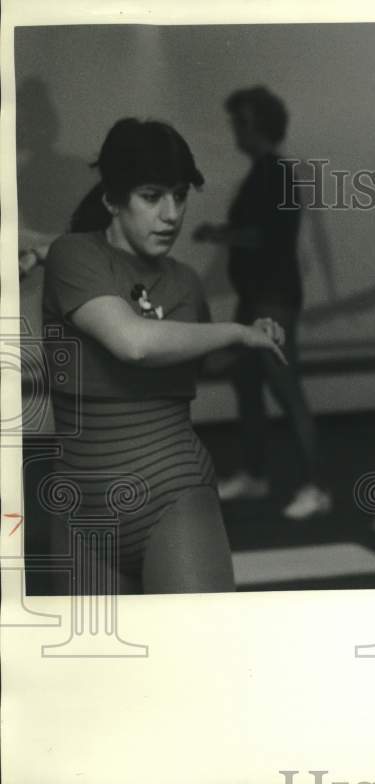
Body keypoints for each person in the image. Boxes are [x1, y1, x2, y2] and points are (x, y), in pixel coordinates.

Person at [42, 118, 288, 594]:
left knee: (195, 656)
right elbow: (132, 343)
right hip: (80, 509)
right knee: (97, 667)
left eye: (179, 196)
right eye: (152, 196)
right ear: (113, 199)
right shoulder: (74, 255)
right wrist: (235, 332)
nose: (171, 214)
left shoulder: (185, 281)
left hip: (170, 493)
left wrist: (254, 339)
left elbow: (202, 361)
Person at [193, 86, 331, 520]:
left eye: (242, 122)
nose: (236, 130)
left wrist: (218, 234)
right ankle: (255, 475)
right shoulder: (261, 173)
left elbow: (263, 235)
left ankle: (316, 486)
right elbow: (256, 230)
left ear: (262, 126)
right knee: (247, 383)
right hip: (256, 297)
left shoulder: (276, 173)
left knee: (284, 386)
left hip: (272, 298)